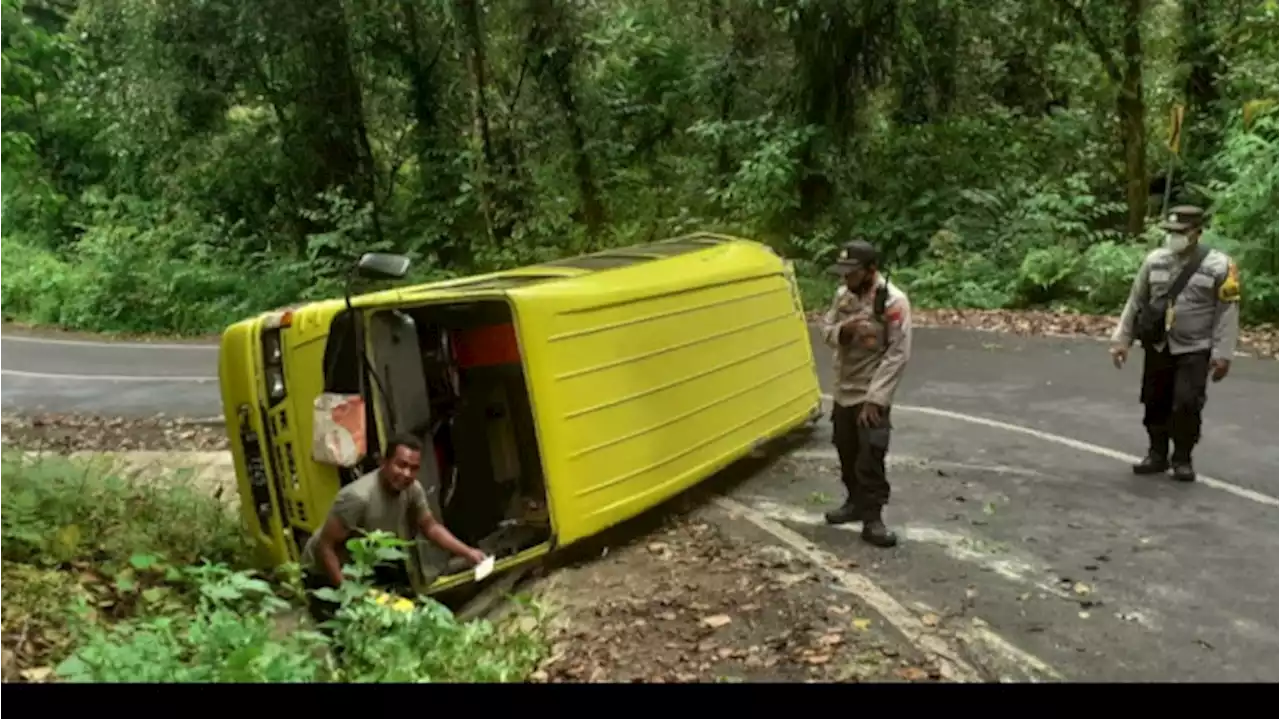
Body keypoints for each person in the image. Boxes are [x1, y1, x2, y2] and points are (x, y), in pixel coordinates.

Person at [1109, 205, 1240, 482]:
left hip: (1195, 346)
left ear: (1197, 233)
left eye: (1180, 232)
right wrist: (1122, 339)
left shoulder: (1219, 266)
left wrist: (1223, 354)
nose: (1174, 237)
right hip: (1158, 344)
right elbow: (1136, 301)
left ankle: (1182, 457)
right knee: (1154, 400)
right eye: (1170, 232)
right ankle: (1157, 454)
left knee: (1186, 403)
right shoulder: (1154, 260)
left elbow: (1227, 312)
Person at [299, 433, 487, 624]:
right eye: (401, 465)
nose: (406, 474)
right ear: (384, 462)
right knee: (344, 633)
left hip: (361, 565)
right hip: (322, 572)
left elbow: (430, 527)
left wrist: (468, 552)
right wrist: (349, 594)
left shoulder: (413, 489)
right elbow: (325, 547)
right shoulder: (358, 497)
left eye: (413, 468)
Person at [819, 239, 913, 547]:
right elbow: (826, 329)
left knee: (870, 455)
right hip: (844, 387)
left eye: (852, 273)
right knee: (845, 448)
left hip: (871, 390)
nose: (846, 279)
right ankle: (854, 503)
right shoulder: (842, 297)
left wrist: (876, 398)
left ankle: (873, 518)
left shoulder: (893, 302)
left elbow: (898, 353)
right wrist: (842, 332)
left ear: (871, 270)